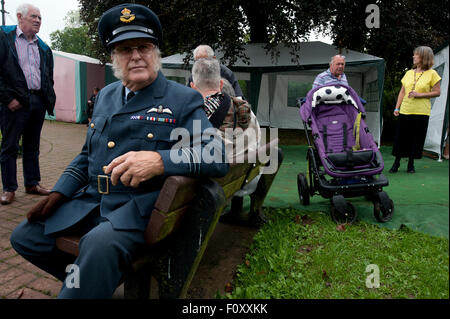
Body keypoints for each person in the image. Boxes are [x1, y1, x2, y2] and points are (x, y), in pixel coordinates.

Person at [10, 3, 228, 299]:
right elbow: (87, 153)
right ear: (114, 58)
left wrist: (159, 161)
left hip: (138, 211)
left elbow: (215, 154)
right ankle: (95, 281)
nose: (136, 55)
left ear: (156, 54)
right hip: (91, 203)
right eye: (125, 49)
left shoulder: (182, 99)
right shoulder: (107, 96)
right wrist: (59, 193)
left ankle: (86, 285)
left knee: (97, 247)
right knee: (25, 237)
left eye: (144, 47)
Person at [190, 57, 265, 226]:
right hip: (245, 179)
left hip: (213, 187)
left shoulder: (197, 117)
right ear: (221, 85)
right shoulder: (250, 113)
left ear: (192, 87)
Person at [0, 3, 56, 205]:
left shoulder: (43, 47)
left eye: (40, 18)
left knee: (32, 146)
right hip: (14, 103)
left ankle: (32, 183)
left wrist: (47, 98)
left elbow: (48, 76)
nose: (38, 20)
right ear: (19, 17)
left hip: (37, 100)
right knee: (10, 146)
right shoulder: (4, 38)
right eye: (33, 16)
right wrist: (8, 99)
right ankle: (9, 188)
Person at [389, 46, 441, 173]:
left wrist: (420, 95)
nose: (413, 57)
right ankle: (396, 163)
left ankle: (411, 164)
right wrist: (397, 107)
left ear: (423, 57)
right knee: (401, 137)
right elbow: (402, 91)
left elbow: (437, 92)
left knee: (415, 138)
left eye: (416, 55)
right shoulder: (408, 73)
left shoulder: (432, 74)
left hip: (421, 112)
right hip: (405, 110)